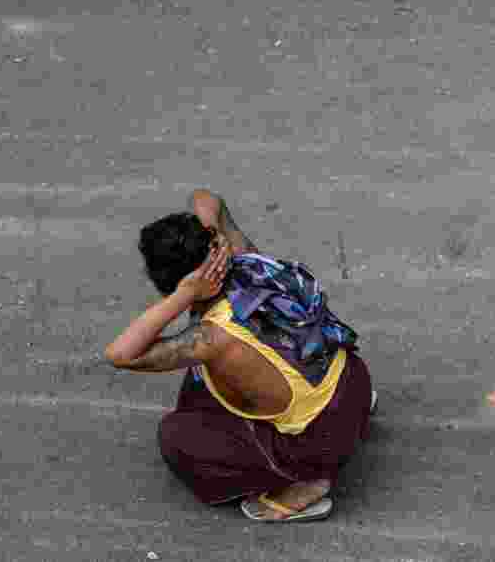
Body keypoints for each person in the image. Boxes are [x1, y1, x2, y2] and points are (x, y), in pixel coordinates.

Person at [105, 190, 375, 522]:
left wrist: (183, 295)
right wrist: (214, 235)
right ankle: (352, 419)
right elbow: (207, 198)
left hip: (322, 442)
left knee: (176, 436)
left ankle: (306, 482)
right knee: (200, 386)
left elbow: (121, 354)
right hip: (354, 384)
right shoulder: (246, 258)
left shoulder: (211, 338)